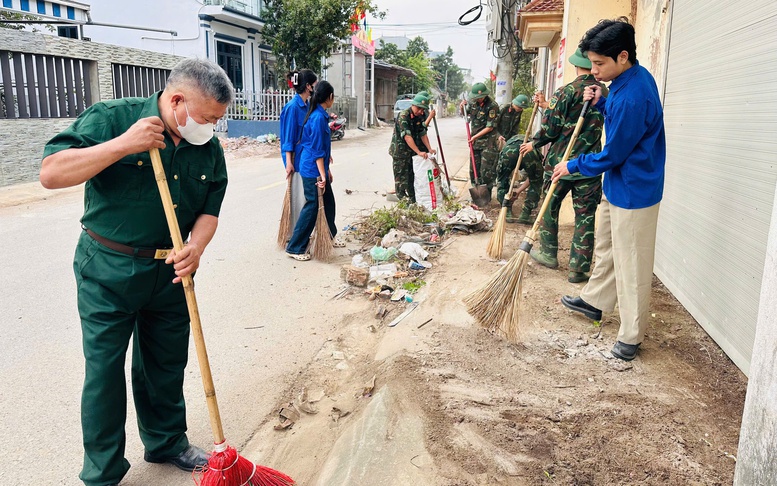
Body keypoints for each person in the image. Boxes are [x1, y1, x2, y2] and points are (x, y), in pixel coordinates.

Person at [39, 58, 235, 486]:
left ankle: (166, 441)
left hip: (170, 271)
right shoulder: (114, 119)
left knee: (165, 363)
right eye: (207, 118)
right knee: (105, 370)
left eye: (218, 121)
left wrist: (195, 247)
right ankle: (103, 472)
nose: (212, 128)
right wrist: (122, 145)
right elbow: (51, 173)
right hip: (107, 270)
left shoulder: (207, 147)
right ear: (177, 99)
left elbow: (209, 211)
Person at [551, 18, 666, 361]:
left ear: (623, 55)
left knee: (631, 263)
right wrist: (602, 101)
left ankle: (632, 334)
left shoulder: (634, 94)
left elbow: (614, 153)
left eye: (599, 64)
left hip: (634, 191)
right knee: (606, 245)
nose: (593, 70)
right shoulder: (624, 81)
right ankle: (595, 301)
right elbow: (618, 119)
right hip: (618, 186)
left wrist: (572, 165)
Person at [519, 48, 607, 283]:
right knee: (585, 215)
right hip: (589, 164)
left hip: (561, 164)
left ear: (576, 65)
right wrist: (547, 103)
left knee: (550, 207)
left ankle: (548, 253)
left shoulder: (566, 91)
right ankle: (578, 268)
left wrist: (535, 143)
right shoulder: (603, 91)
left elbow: (552, 128)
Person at [285, 80, 345, 260]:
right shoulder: (318, 118)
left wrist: (326, 171)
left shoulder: (320, 114)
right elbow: (318, 150)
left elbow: (322, 149)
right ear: (330, 97)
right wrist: (322, 174)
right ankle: (295, 247)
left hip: (316, 166)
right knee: (312, 206)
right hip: (312, 169)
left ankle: (329, 235)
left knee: (329, 202)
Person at [280, 69, 317, 230]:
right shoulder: (293, 107)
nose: (316, 86)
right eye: (314, 83)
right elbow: (288, 138)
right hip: (296, 160)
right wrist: (288, 162)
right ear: (308, 86)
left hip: (307, 159)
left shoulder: (308, 106)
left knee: (304, 198)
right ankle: (294, 234)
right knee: (296, 197)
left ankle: (302, 232)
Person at [388, 93, 436, 203]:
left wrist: (429, 149)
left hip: (410, 153)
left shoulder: (418, 117)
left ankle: (413, 201)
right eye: (419, 109)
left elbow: (422, 133)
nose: (421, 112)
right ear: (414, 106)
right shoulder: (403, 116)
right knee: (401, 180)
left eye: (423, 110)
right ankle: (403, 204)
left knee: (411, 178)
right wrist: (418, 151)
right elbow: (407, 137)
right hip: (400, 153)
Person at [460, 82, 499, 198]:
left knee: (486, 171)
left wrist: (475, 137)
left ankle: (486, 196)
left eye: (479, 98)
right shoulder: (473, 103)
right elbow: (465, 114)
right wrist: (462, 107)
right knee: (474, 169)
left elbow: (490, 127)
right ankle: (477, 196)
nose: (477, 99)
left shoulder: (492, 106)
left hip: (488, 143)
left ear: (484, 96)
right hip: (475, 143)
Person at [495, 134, 544, 224]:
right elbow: (532, 179)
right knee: (536, 181)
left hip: (509, 152)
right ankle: (525, 214)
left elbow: (501, 177)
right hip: (528, 151)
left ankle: (507, 211)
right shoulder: (534, 146)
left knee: (503, 180)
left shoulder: (508, 145)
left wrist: (518, 190)